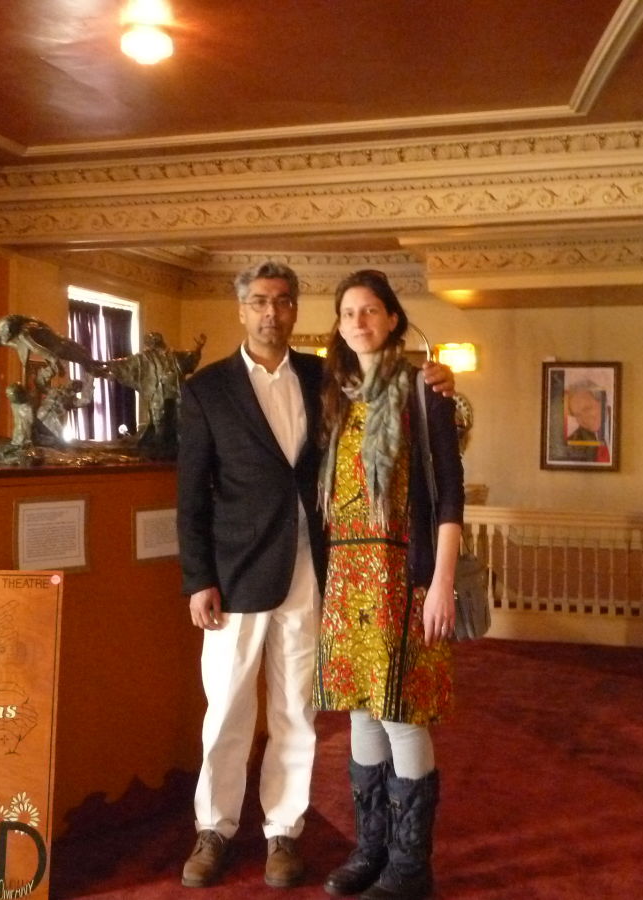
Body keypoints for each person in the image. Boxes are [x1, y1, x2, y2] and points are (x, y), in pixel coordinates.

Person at [176, 261, 454, 890]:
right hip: (236, 578)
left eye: (282, 301)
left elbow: (399, 392)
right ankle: (214, 829)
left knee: (297, 712)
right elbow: (190, 496)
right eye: (259, 301)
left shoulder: (324, 377)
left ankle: (283, 832)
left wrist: (442, 378)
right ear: (242, 309)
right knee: (227, 710)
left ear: (296, 310)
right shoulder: (207, 389)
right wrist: (198, 578)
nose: (270, 312)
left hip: (316, 574)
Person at [313, 269, 462, 899]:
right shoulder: (335, 395)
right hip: (347, 577)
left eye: (370, 310)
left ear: (393, 318)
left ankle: (410, 866)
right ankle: (370, 850)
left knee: (401, 714)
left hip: (404, 574)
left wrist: (441, 581)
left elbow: (449, 495)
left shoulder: (423, 390)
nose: (359, 322)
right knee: (360, 713)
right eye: (348, 312)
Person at [92, 331, 205, 457]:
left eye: (156, 339)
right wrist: (106, 365)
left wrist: (198, 348)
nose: (154, 342)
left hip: (175, 392)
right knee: (159, 420)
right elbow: (126, 363)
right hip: (158, 393)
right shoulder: (144, 357)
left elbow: (190, 358)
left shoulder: (174, 354)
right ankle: (160, 447)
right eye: (151, 340)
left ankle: (178, 448)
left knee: (179, 419)